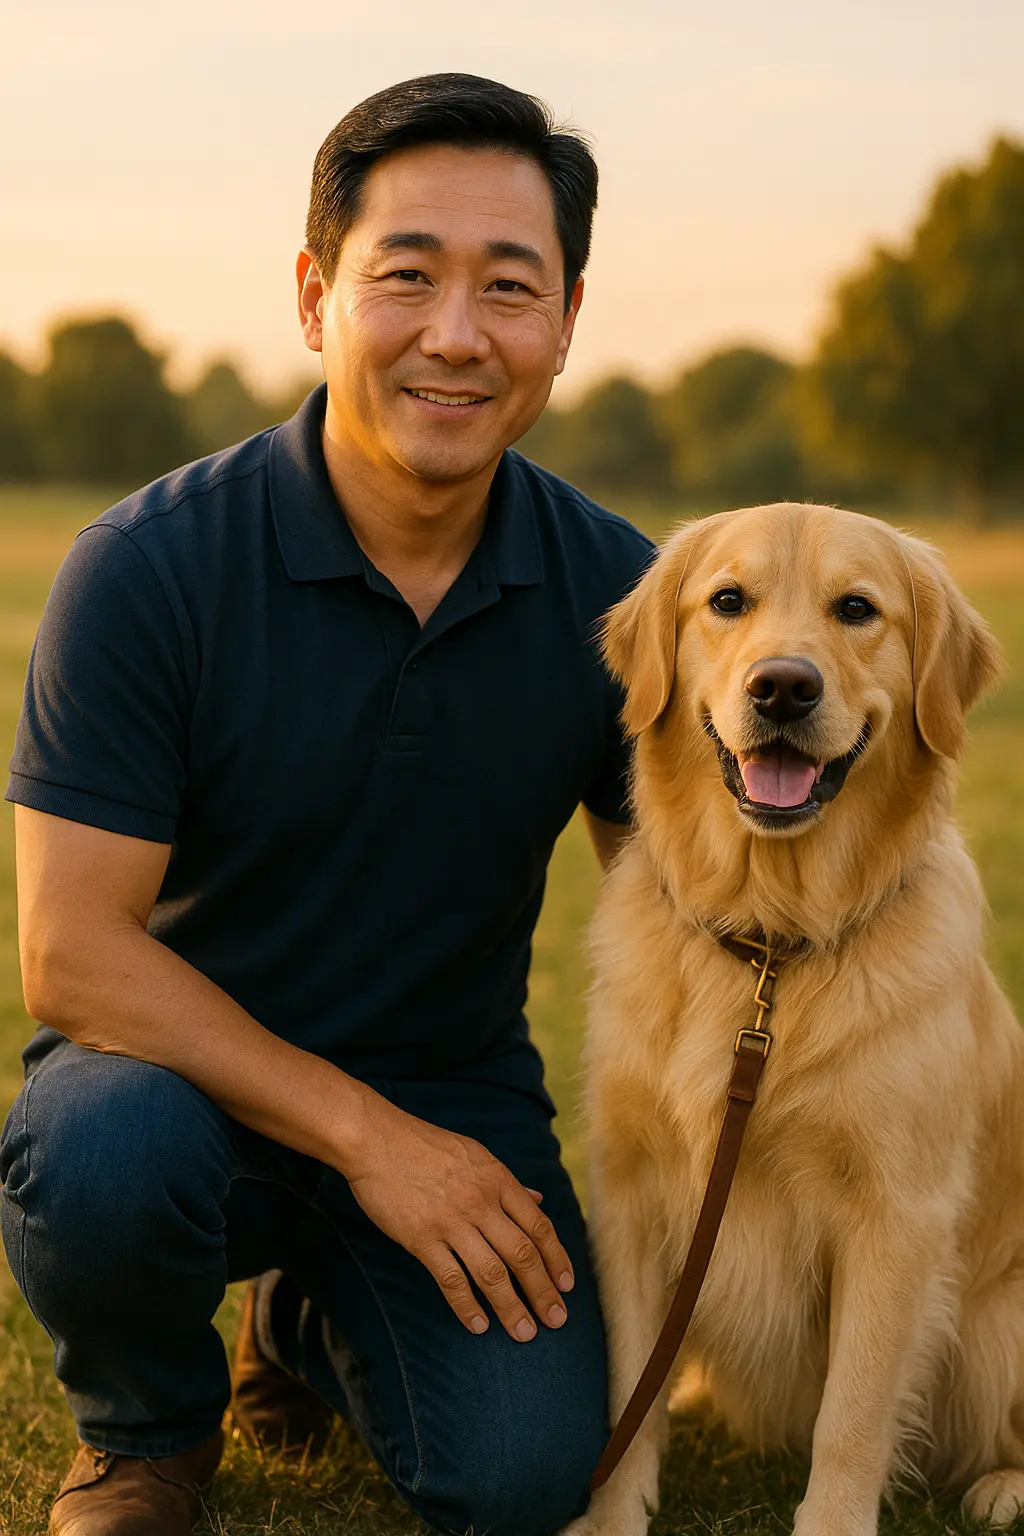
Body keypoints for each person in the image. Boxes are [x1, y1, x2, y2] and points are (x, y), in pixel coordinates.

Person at [0, 73, 654, 1536]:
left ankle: (298, 1323)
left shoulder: (624, 593)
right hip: (175, 1094)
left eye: (509, 288)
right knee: (97, 1147)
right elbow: (74, 958)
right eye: (404, 278)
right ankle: (146, 1439)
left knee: (524, 1481)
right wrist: (367, 1140)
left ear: (566, 319)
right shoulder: (148, 568)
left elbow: (675, 905)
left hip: (456, 1097)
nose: (457, 336)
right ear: (315, 294)